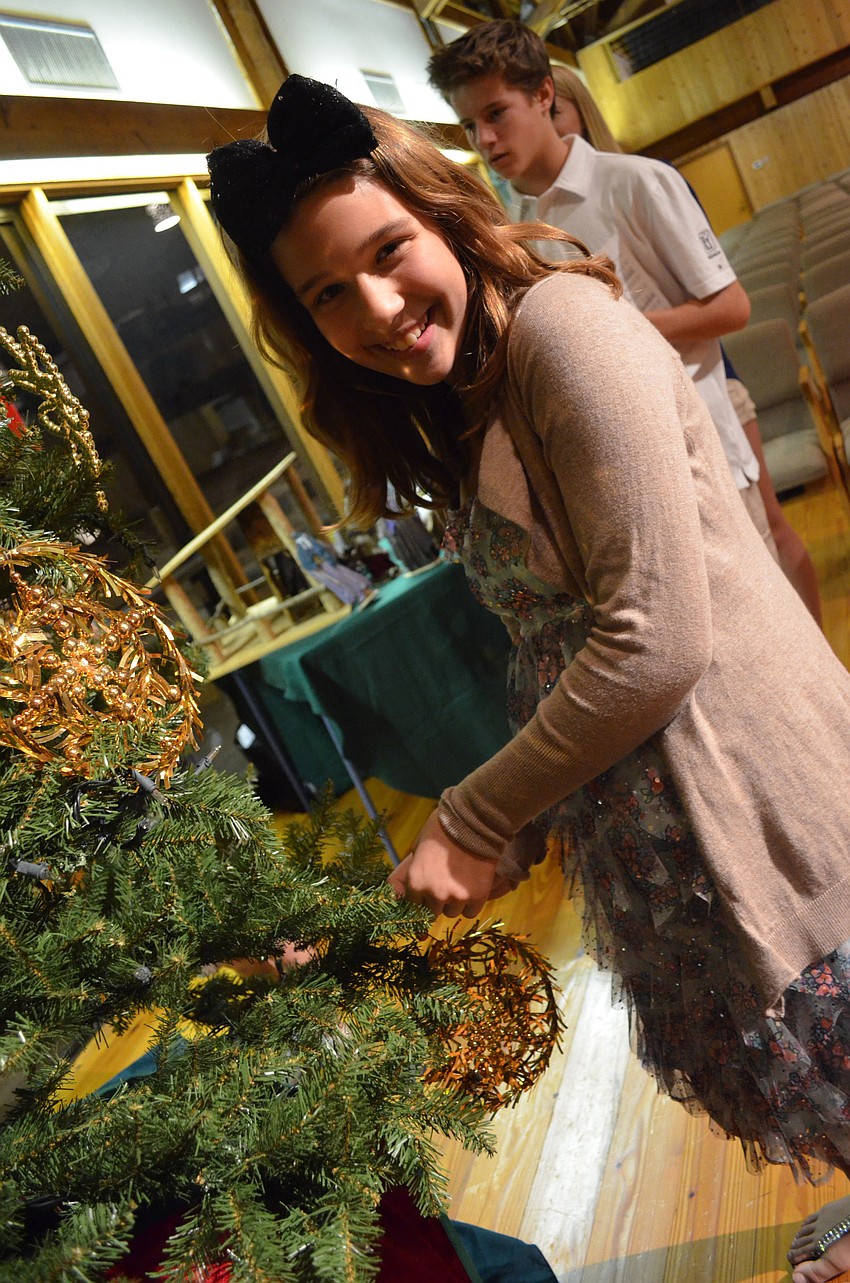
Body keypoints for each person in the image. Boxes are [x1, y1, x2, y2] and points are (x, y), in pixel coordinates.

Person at [207, 74, 850, 1283]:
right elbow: (561, 645)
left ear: (444, 213)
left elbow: (651, 635)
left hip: (763, 797)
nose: (380, 307)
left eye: (389, 251)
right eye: (328, 295)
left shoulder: (567, 329)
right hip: (671, 817)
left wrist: (477, 809)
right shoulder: (468, 385)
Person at [427, 21, 827, 625]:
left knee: (767, 630)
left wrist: (603, 333)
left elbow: (732, 308)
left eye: (496, 114)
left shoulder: (636, 182)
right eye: (467, 125)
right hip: (624, 472)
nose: (483, 139)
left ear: (543, 96)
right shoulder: (516, 219)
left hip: (701, 445)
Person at [551, 63, 823, 624]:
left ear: (578, 111)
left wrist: (617, 331)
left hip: (716, 382)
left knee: (770, 527)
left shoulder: (636, 180)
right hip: (668, 403)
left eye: (556, 109)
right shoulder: (548, 214)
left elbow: (723, 302)